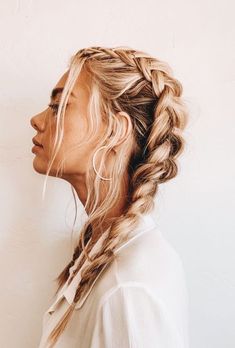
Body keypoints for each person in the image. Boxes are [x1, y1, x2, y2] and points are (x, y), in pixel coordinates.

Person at [30, 46, 189, 348]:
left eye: (60, 106)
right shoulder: (102, 253)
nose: (37, 120)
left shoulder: (128, 289)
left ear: (115, 130)